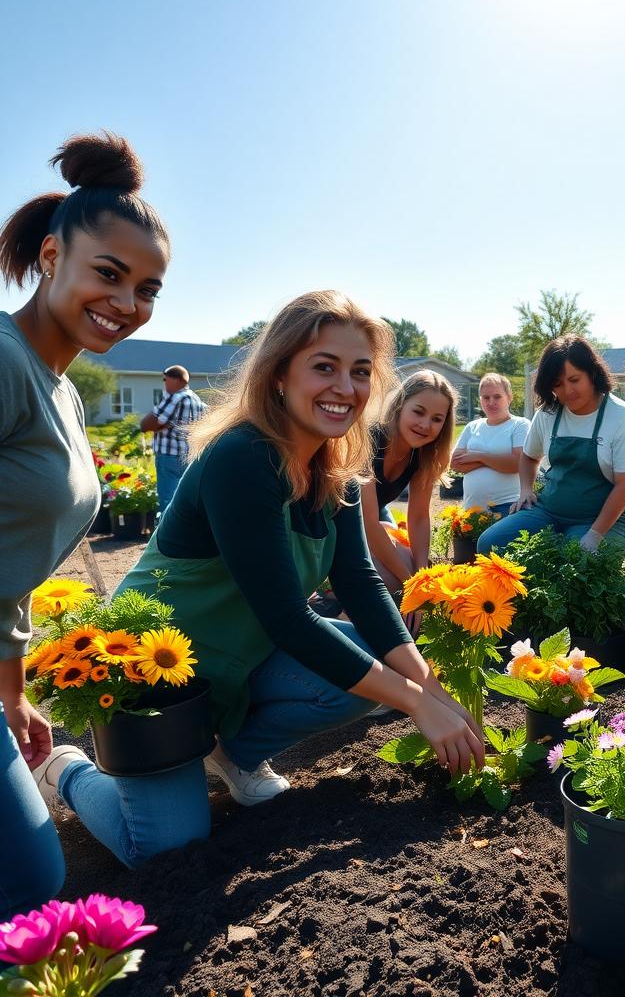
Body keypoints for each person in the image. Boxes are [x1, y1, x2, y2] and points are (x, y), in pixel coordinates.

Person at [29, 292, 485, 868]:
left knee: (367, 661)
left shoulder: (339, 462)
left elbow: (359, 578)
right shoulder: (243, 457)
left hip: (243, 654)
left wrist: (429, 686)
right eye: (324, 366)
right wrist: (417, 705)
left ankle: (232, 755)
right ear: (278, 374)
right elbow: (288, 619)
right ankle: (66, 770)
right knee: (161, 847)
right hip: (155, 671)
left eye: (361, 371)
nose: (345, 387)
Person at [0, 132, 170, 912]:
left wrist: (12, 695)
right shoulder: (4, 362)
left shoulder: (61, 390)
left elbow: (11, 558)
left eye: (146, 289)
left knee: (30, 879)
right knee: (30, 878)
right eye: (109, 273)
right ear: (49, 257)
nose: (128, 304)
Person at [477, 335, 625, 558]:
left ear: (592, 373)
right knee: (489, 543)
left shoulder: (622, 417)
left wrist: (595, 534)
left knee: (573, 564)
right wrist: (526, 490)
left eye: (574, 380)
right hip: (549, 511)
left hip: (605, 520)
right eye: (557, 384)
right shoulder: (548, 413)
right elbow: (528, 457)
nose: (568, 391)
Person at [361, 370, 457, 595]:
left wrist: (421, 574)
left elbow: (420, 516)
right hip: (334, 522)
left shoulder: (423, 455)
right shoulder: (369, 440)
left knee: (411, 562)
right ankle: (329, 601)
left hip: (373, 516)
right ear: (400, 406)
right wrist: (410, 583)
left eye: (436, 419)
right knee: (390, 580)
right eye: (418, 412)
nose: (425, 424)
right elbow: (367, 523)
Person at [450, 373, 529, 516]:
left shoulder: (520, 425)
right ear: (480, 400)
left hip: (508, 507)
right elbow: (455, 463)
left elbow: (518, 463)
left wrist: (479, 456)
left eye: (497, 396)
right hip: (471, 510)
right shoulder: (472, 426)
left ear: (509, 397)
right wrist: (498, 460)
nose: (491, 402)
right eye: (486, 397)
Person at [139, 363, 207, 514]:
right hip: (189, 456)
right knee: (186, 501)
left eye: (165, 379)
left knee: (168, 500)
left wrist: (162, 425)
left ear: (177, 380)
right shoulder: (197, 401)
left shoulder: (176, 397)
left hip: (169, 457)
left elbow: (145, 425)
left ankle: (165, 536)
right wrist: (164, 424)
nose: (164, 383)